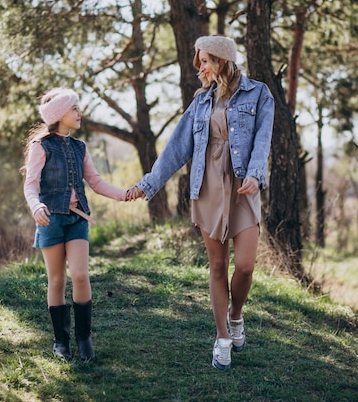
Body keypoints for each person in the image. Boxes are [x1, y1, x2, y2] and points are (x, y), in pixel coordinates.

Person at [128, 35, 274, 369]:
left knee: (246, 265)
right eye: (199, 62)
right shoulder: (200, 102)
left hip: (242, 185)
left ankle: (236, 315)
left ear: (223, 60)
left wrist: (254, 175)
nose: (201, 68)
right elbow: (177, 147)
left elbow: (263, 139)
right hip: (207, 184)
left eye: (205, 61)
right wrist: (148, 184)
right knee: (218, 265)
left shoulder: (259, 93)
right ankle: (222, 336)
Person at [23, 87, 130, 362]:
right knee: (56, 280)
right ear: (59, 114)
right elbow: (31, 184)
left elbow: (95, 182)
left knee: (80, 275)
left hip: (77, 218)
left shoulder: (80, 147)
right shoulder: (41, 146)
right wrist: (36, 206)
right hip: (50, 220)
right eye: (74, 109)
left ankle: (84, 339)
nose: (79, 113)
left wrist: (124, 194)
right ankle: (61, 342)